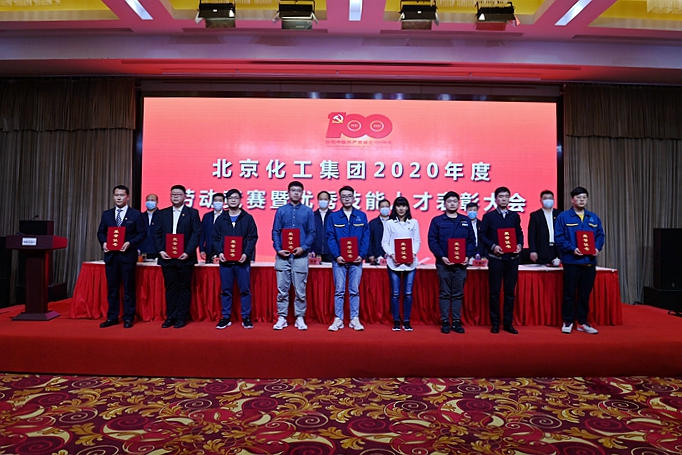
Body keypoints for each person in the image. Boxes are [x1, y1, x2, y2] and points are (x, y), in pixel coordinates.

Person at [555, 186, 605, 335]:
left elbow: (600, 235)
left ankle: (582, 322)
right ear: (572, 200)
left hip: (589, 262)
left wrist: (597, 247)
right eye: (578, 197)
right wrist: (572, 249)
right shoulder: (564, 217)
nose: (581, 200)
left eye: (584, 197)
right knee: (569, 293)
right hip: (572, 262)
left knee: (585, 294)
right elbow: (559, 237)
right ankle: (568, 321)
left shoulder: (593, 217)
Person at [96, 185, 148, 329]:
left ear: (128, 197)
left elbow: (142, 234)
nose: (119, 197)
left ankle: (128, 317)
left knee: (128, 288)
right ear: (113, 197)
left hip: (127, 256)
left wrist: (130, 243)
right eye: (116, 195)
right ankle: (112, 317)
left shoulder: (136, 214)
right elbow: (101, 232)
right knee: (112, 288)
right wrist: (104, 242)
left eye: (122, 195)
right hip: (111, 256)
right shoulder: (107, 214)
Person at [428, 191, 476, 334]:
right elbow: (432, 241)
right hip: (444, 263)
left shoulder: (465, 220)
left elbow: (471, 241)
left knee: (457, 293)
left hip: (461, 264)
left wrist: (468, 256)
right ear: (444, 204)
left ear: (459, 203)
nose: (452, 204)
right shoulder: (437, 221)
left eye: (455, 201)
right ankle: (445, 322)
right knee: (444, 293)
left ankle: (456, 321)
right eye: (449, 201)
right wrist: (442, 256)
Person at [154, 185, 201, 329]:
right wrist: (161, 250)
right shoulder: (162, 213)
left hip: (185, 257)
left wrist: (188, 252)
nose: (175, 196)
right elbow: (157, 234)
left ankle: (181, 317)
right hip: (167, 257)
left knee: (184, 288)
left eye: (178, 194)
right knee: (170, 287)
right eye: (173, 194)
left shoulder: (192, 213)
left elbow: (196, 234)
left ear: (185, 196)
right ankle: (171, 317)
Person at [271, 181, 316, 331]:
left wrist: (303, 248)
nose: (296, 193)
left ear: (302, 193)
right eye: (293, 190)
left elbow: (312, 233)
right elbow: (276, 231)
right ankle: (282, 317)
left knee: (300, 290)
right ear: (288, 193)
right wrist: (278, 249)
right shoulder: (281, 211)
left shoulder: (308, 211)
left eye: (298, 190)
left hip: (300, 257)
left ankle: (299, 317)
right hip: (282, 256)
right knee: (282, 289)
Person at [212, 189, 258, 330]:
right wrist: (219, 252)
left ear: (240, 200)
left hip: (242, 261)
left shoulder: (247, 218)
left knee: (245, 290)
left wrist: (247, 253)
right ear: (227, 200)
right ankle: (226, 317)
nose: (233, 200)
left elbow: (253, 237)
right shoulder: (221, 218)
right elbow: (214, 238)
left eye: (236, 197)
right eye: (230, 197)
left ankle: (246, 317)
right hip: (225, 262)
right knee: (226, 290)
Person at [480, 186, 524, 335]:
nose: (504, 199)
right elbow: (482, 236)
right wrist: (493, 246)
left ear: (509, 199)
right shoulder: (489, 217)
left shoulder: (514, 216)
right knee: (495, 292)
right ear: (496, 199)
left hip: (512, 259)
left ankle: (508, 323)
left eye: (506, 196)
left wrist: (519, 245)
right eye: (501, 196)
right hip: (496, 259)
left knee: (510, 292)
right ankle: (495, 323)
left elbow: (519, 233)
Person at [326, 185, 370, 332]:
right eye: (344, 196)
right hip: (339, 260)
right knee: (339, 290)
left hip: (356, 260)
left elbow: (366, 237)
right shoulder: (333, 217)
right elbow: (330, 237)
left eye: (349, 196)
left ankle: (354, 319)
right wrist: (337, 255)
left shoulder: (361, 216)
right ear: (340, 198)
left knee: (354, 290)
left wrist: (361, 255)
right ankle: (338, 319)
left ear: (353, 198)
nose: (346, 198)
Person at [381, 196, 420, 331]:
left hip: (410, 263)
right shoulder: (389, 223)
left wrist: (413, 253)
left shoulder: (413, 222)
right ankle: (396, 320)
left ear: (407, 207)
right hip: (394, 263)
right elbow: (385, 242)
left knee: (408, 293)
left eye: (403, 206)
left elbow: (417, 241)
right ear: (395, 208)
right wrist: (392, 254)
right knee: (395, 293)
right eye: (398, 206)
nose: (401, 208)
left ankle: (407, 321)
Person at [528, 190, 561, 266]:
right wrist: (533, 250)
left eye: (550, 198)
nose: (548, 200)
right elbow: (532, 234)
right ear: (541, 200)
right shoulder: (535, 215)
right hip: (542, 248)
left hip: (557, 248)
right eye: (545, 198)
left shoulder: (560, 214)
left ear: (554, 200)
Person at [200, 192, 225, 263]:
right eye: (216, 200)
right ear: (212, 202)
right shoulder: (207, 216)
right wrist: (202, 249)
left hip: (223, 251)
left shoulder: (227, 216)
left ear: (223, 202)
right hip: (209, 250)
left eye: (220, 201)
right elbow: (202, 234)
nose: (218, 202)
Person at [311, 190, 334, 263]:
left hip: (331, 253)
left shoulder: (334, 216)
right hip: (315, 253)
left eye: (325, 199)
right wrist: (310, 250)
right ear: (318, 200)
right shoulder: (312, 216)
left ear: (329, 201)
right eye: (321, 199)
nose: (323, 201)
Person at [367, 199, 390, 264]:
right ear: (379, 208)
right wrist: (370, 255)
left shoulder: (394, 222)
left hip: (391, 257)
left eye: (387, 206)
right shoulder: (372, 223)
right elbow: (368, 240)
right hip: (376, 257)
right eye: (382, 207)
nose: (385, 208)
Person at [138, 193, 159, 259]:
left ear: (157, 202)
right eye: (148, 200)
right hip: (142, 252)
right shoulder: (140, 216)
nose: (150, 202)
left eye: (152, 200)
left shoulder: (162, 216)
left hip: (157, 252)